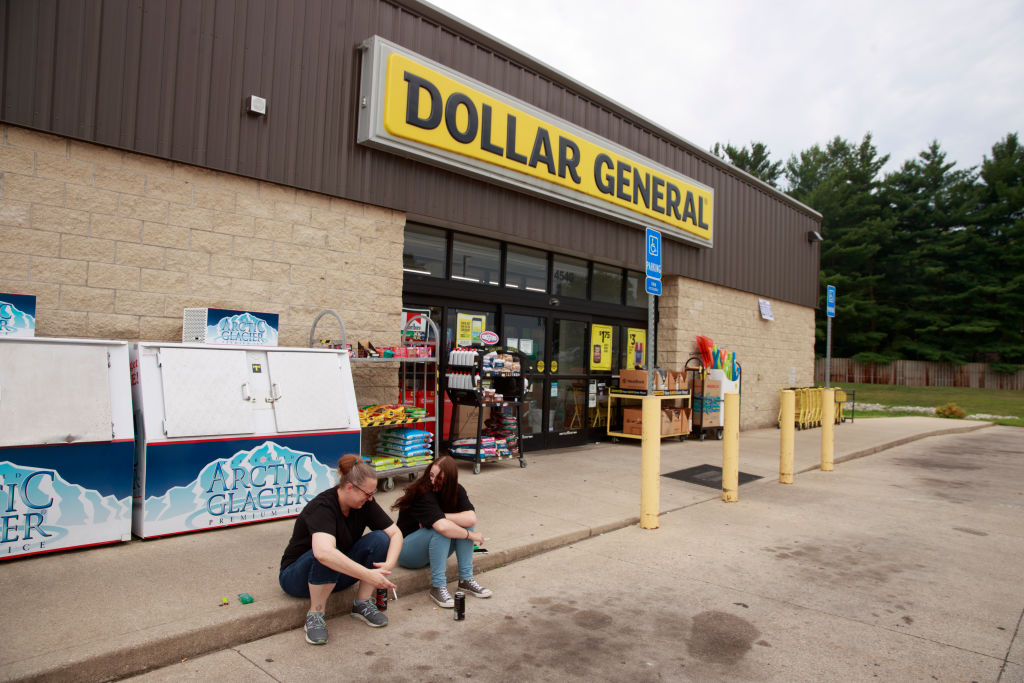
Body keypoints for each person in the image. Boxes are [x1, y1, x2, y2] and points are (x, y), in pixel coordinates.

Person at [279, 454, 403, 644]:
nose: (371, 499)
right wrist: (369, 575)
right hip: (296, 577)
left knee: (380, 538)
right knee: (327, 553)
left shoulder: (364, 503)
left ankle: (362, 603)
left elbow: (395, 534)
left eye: (373, 494)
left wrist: (388, 565)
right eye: (367, 494)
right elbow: (323, 553)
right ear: (348, 487)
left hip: (336, 574)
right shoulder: (322, 506)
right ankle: (315, 615)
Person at [392, 455, 492, 608]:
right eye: (431, 475)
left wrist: (441, 517)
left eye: (439, 478)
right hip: (407, 551)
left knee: (458, 523)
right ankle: (438, 587)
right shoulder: (423, 492)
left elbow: (471, 519)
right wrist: (470, 536)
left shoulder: (457, 490)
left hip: (434, 550)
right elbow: (442, 527)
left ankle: (466, 580)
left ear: (450, 480)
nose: (432, 480)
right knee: (441, 529)